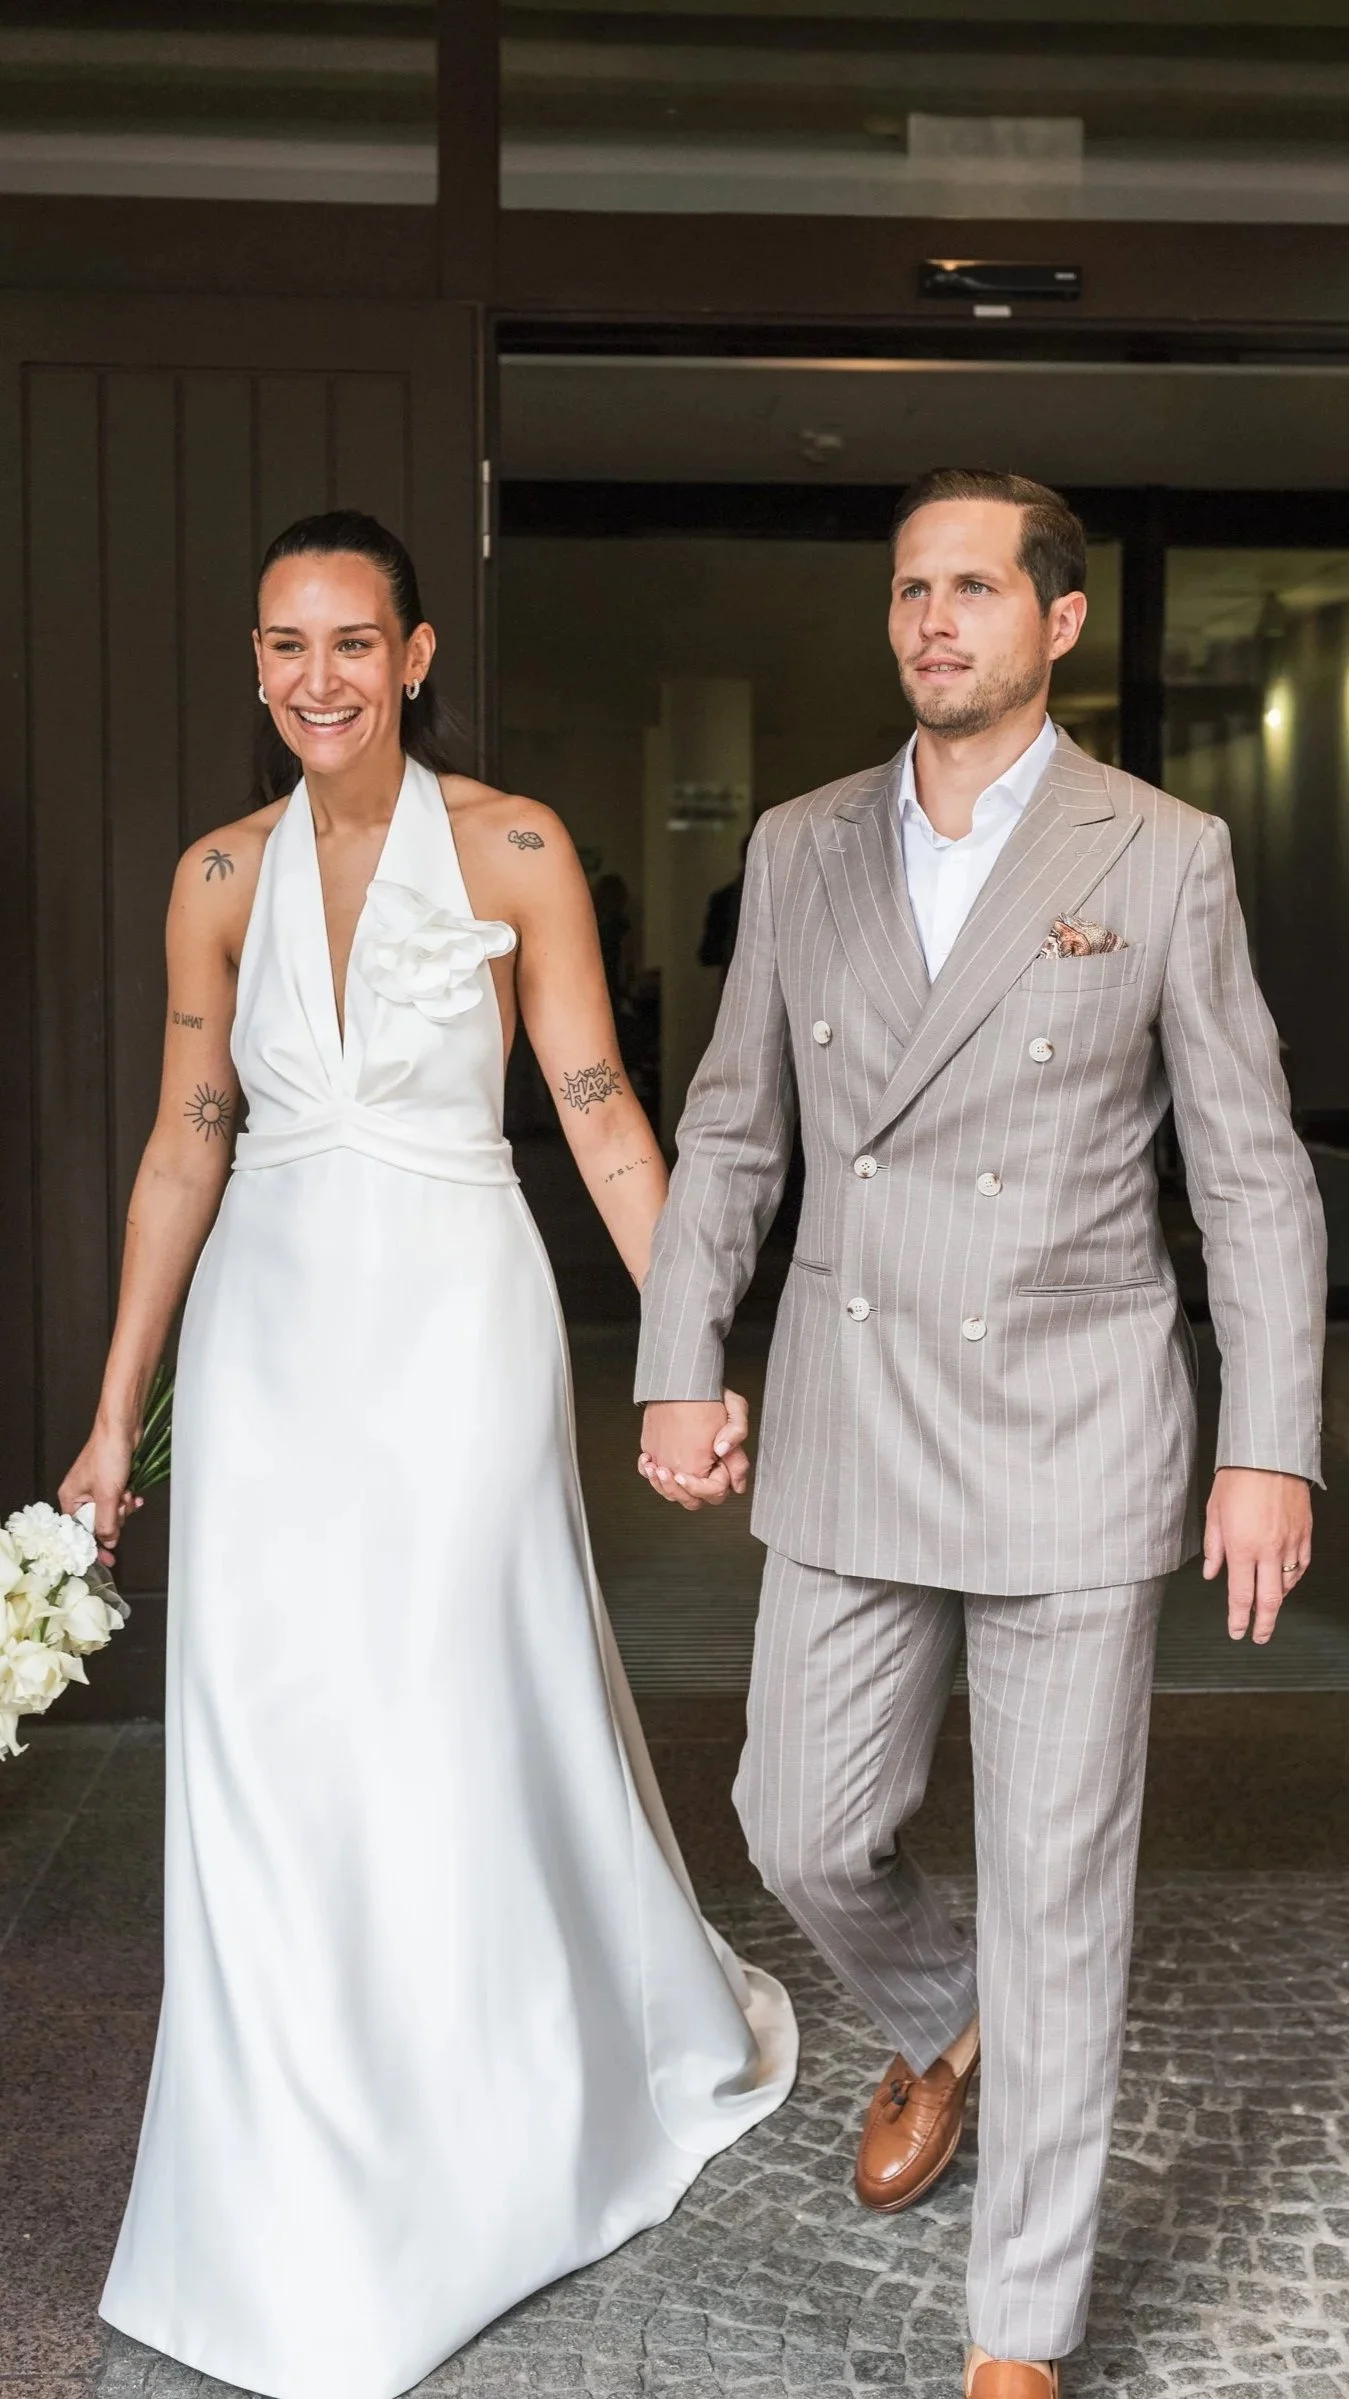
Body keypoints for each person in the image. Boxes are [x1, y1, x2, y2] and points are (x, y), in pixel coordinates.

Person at [60, 509, 795, 2399]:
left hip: (459, 1324)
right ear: (255, 664)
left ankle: (495, 2126)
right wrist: (109, 1412)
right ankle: (295, 2173)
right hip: (271, 1342)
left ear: (417, 653)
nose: (321, 677)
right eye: (286, 645)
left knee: (447, 1700)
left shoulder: (518, 846)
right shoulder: (215, 874)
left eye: (354, 642)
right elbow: (183, 1143)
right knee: (272, 1733)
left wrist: (691, 1359)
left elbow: (602, 1114)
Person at [635, 469, 1325, 2399]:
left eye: (972, 589)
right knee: (800, 1814)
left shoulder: (1160, 854)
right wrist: (683, 1352)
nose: (932, 619)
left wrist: (1268, 1441)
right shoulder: (798, 847)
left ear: (1061, 622)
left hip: (1080, 1432)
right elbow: (734, 1127)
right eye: (908, 589)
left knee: (1059, 1882)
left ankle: (1019, 2333)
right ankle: (955, 2021)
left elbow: (1254, 1179)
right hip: (858, 1419)